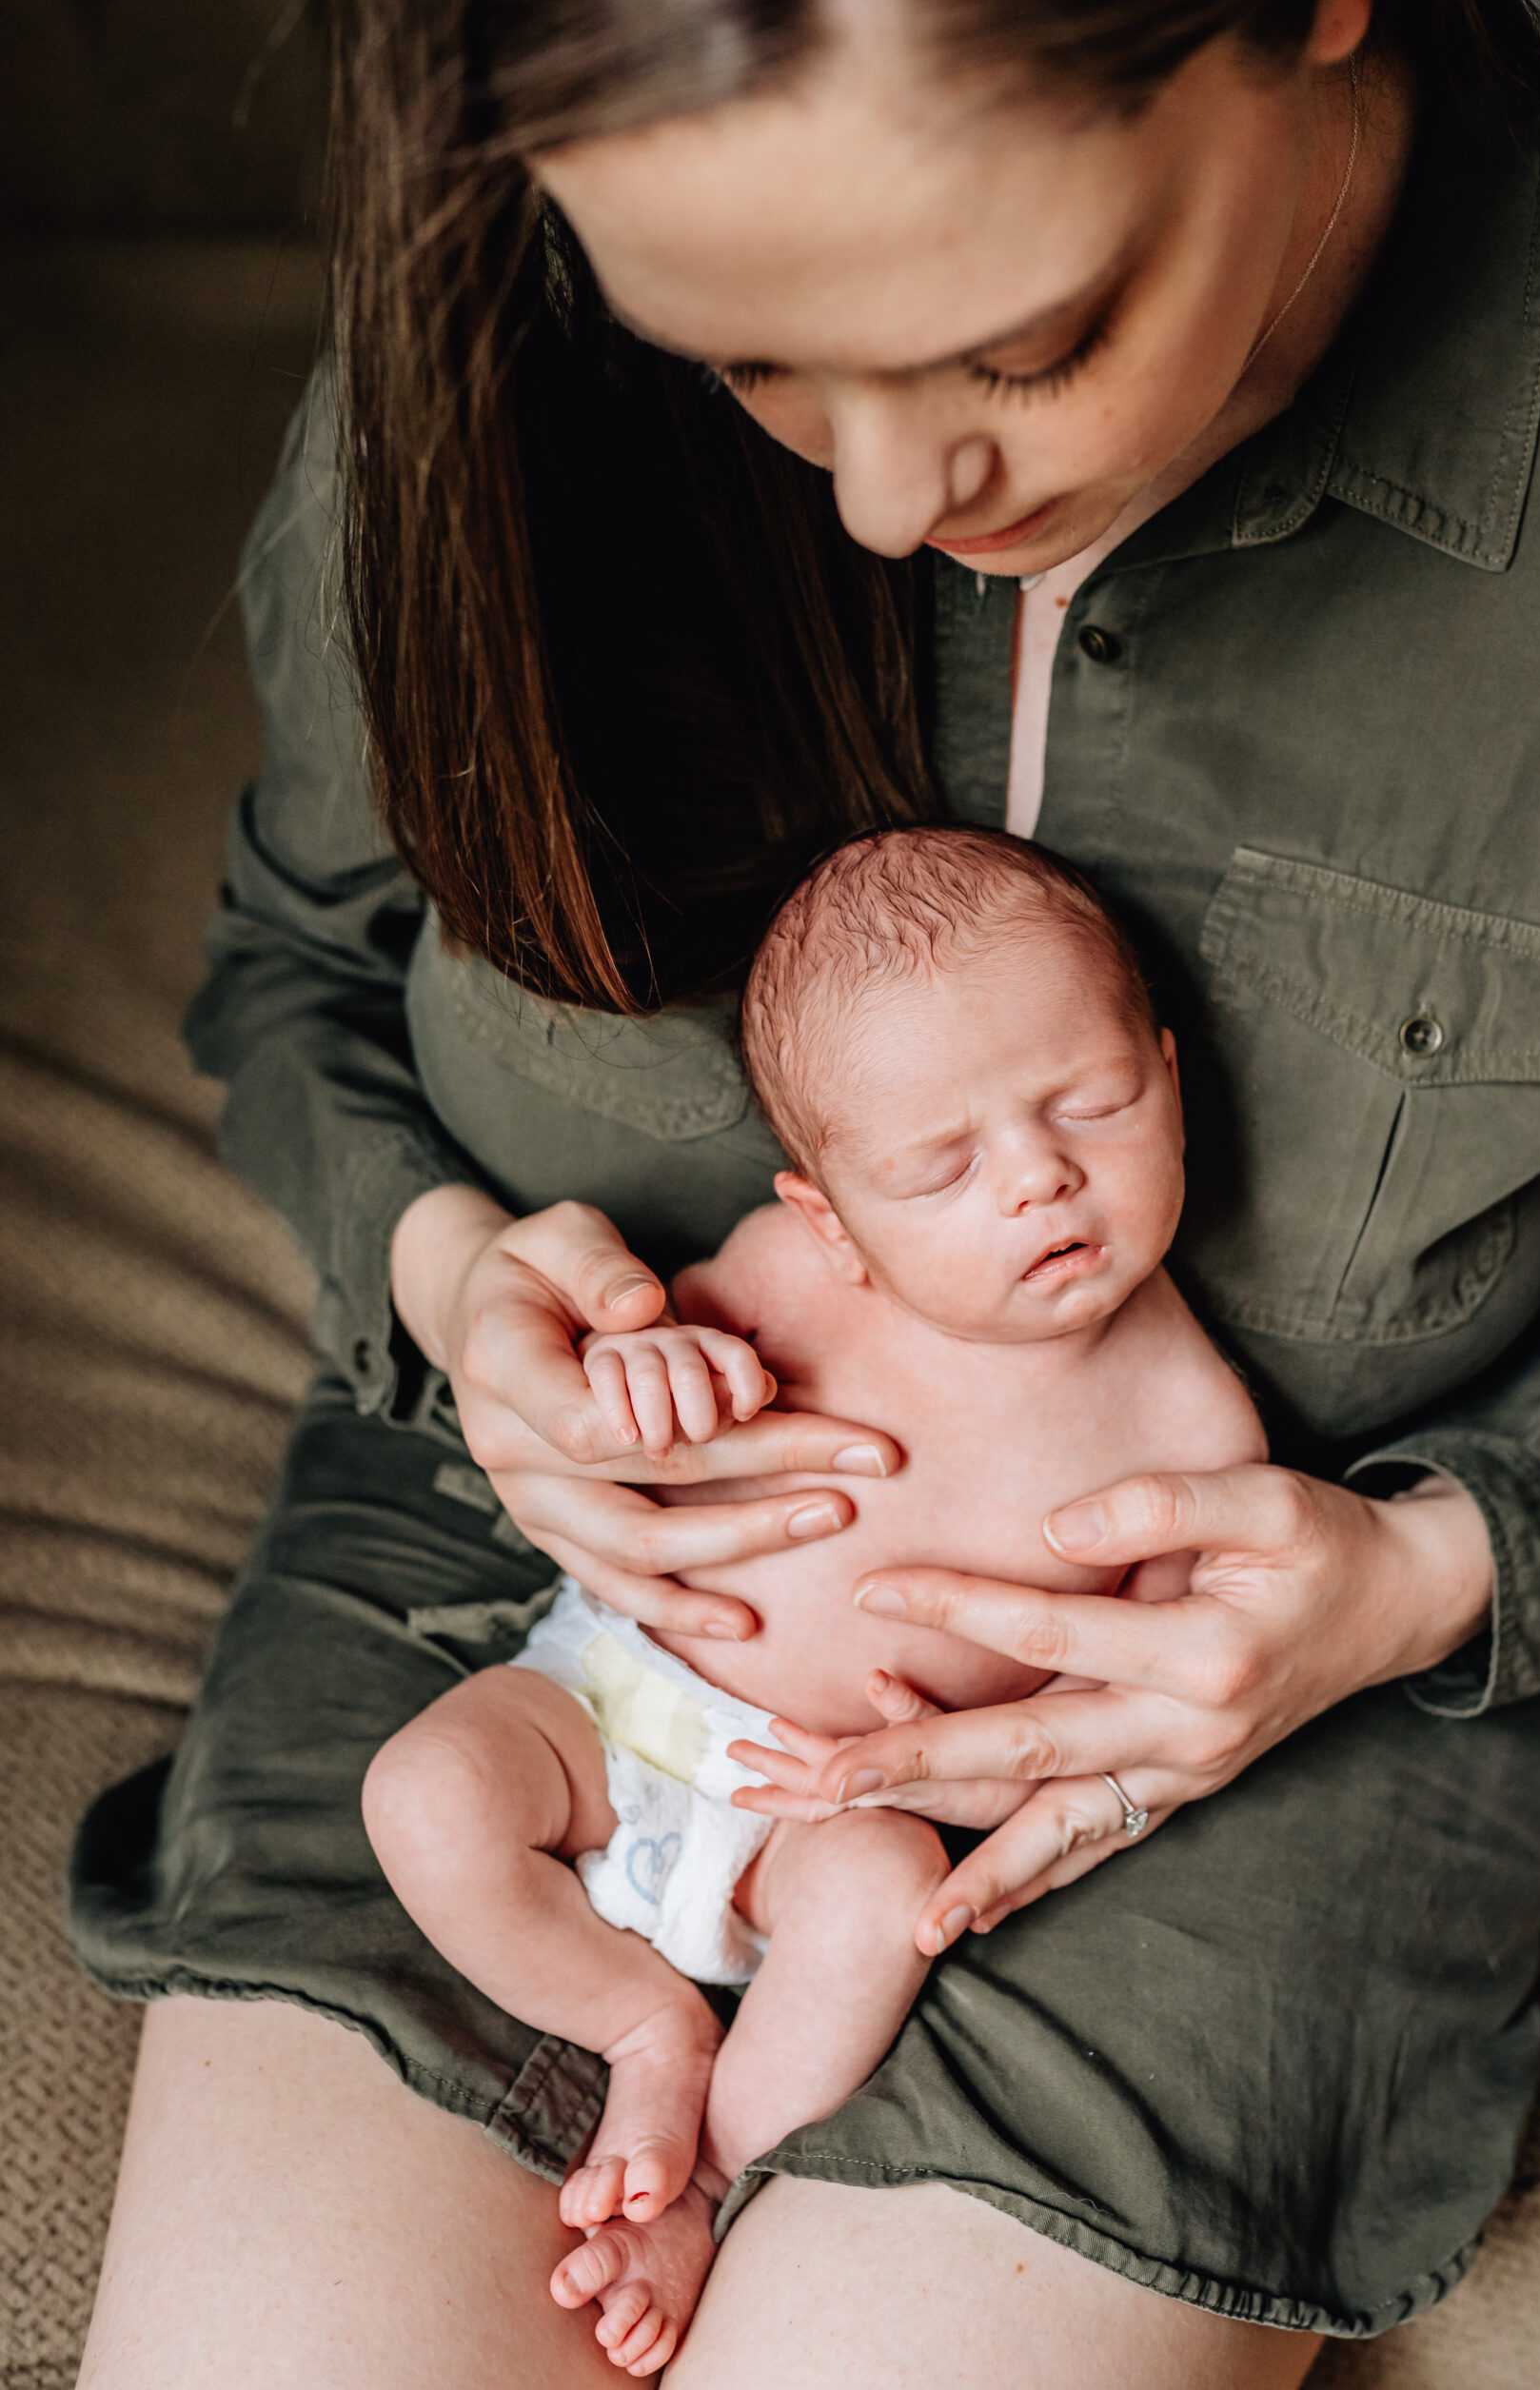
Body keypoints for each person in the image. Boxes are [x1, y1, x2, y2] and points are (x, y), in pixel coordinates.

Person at [67, 0, 1540, 2382]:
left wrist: (1426, 1565)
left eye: (1020, 343)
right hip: (523, 1596)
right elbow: (299, 959)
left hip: (1241, 1728)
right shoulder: (511, 324)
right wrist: (458, 1266)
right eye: (754, 361)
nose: (885, 502)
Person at [363, 827, 1266, 2374]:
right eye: (941, 1165)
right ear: (834, 1215)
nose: (1041, 1174)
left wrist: (1029, 1739)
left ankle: (705, 2174)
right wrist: (654, 1369)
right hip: (609, 1698)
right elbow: (632, 1384)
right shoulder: (784, 1271)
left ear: (1172, 1075)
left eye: (1097, 1103)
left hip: (821, 1811)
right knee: (427, 1794)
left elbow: (1159, 1694)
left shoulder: (1193, 1426)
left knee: (878, 1907)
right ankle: (643, 2025)